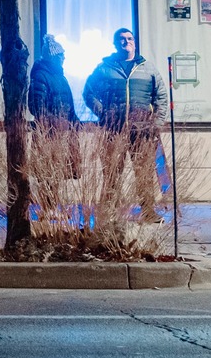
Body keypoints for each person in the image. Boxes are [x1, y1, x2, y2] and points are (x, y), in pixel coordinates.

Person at [83, 28, 166, 217]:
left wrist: (156, 125)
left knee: (143, 172)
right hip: (114, 130)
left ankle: (147, 211)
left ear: (135, 43)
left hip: (142, 131)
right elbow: (88, 93)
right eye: (121, 39)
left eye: (129, 38)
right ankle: (109, 211)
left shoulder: (148, 68)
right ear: (114, 44)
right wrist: (103, 113)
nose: (125, 42)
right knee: (112, 172)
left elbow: (161, 97)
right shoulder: (104, 68)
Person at [26, 34, 76, 123]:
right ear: (52, 57)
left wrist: (77, 125)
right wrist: (56, 122)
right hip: (47, 133)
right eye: (61, 55)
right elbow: (38, 108)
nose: (64, 58)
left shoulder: (62, 78)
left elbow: (71, 110)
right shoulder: (40, 77)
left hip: (63, 132)